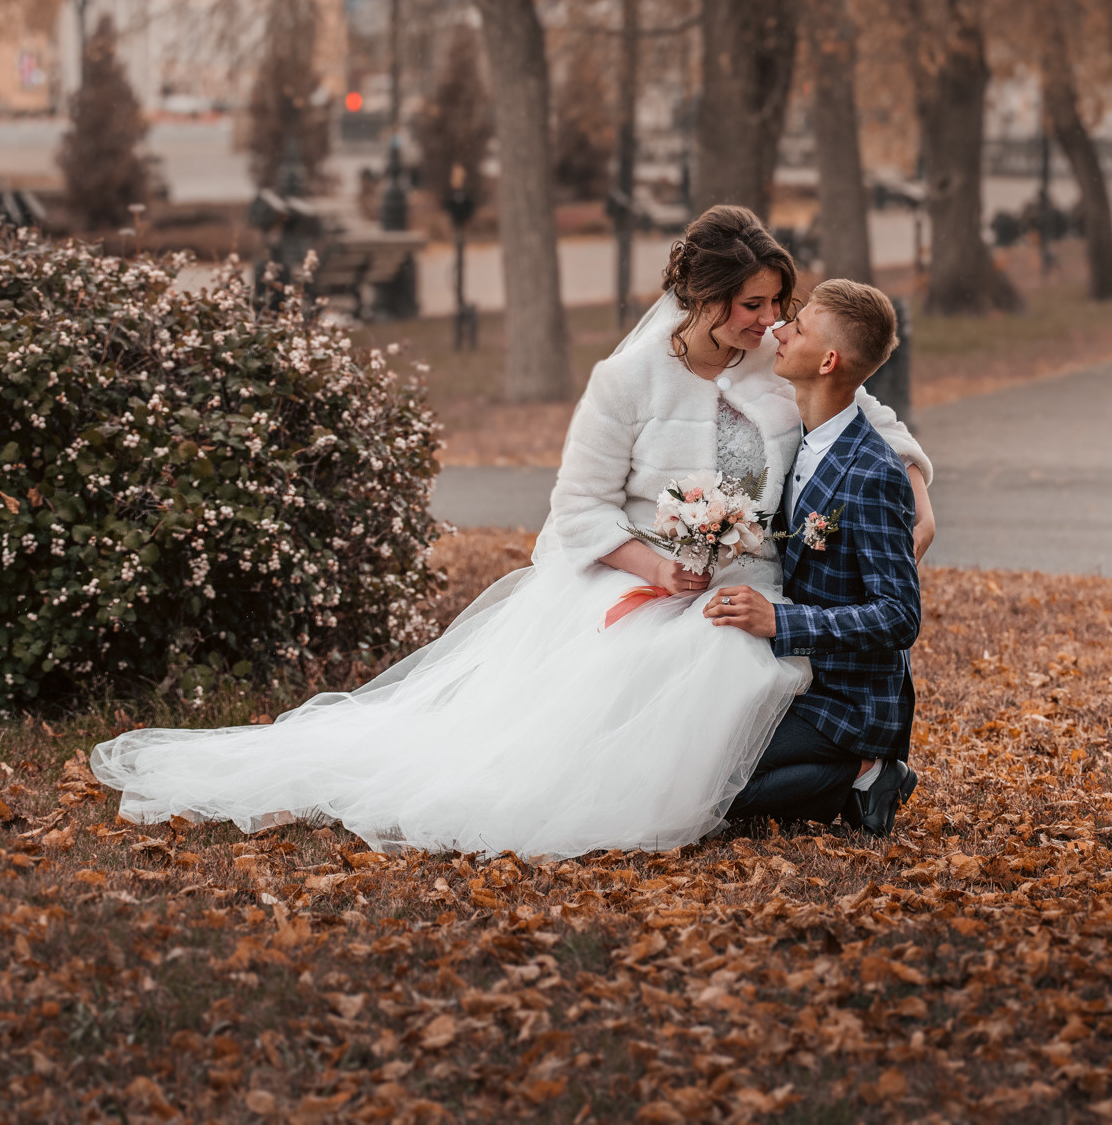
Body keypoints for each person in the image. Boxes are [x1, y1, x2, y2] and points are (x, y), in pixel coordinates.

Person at [90, 206, 935, 859]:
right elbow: (579, 510)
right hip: (644, 584)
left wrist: (918, 487)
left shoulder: (778, 364)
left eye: (779, 304)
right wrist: (656, 567)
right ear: (705, 300)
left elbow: (871, 417)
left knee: (742, 694)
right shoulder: (627, 381)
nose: (771, 319)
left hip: (752, 588)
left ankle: (813, 776)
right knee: (613, 730)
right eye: (753, 304)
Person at [705, 281, 923, 835]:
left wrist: (781, 621)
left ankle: (870, 770)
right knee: (694, 764)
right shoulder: (799, 441)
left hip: (849, 699)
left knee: (712, 801)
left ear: (828, 361)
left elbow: (900, 616)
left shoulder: (872, 473)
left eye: (796, 328)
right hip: (794, 676)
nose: (779, 329)